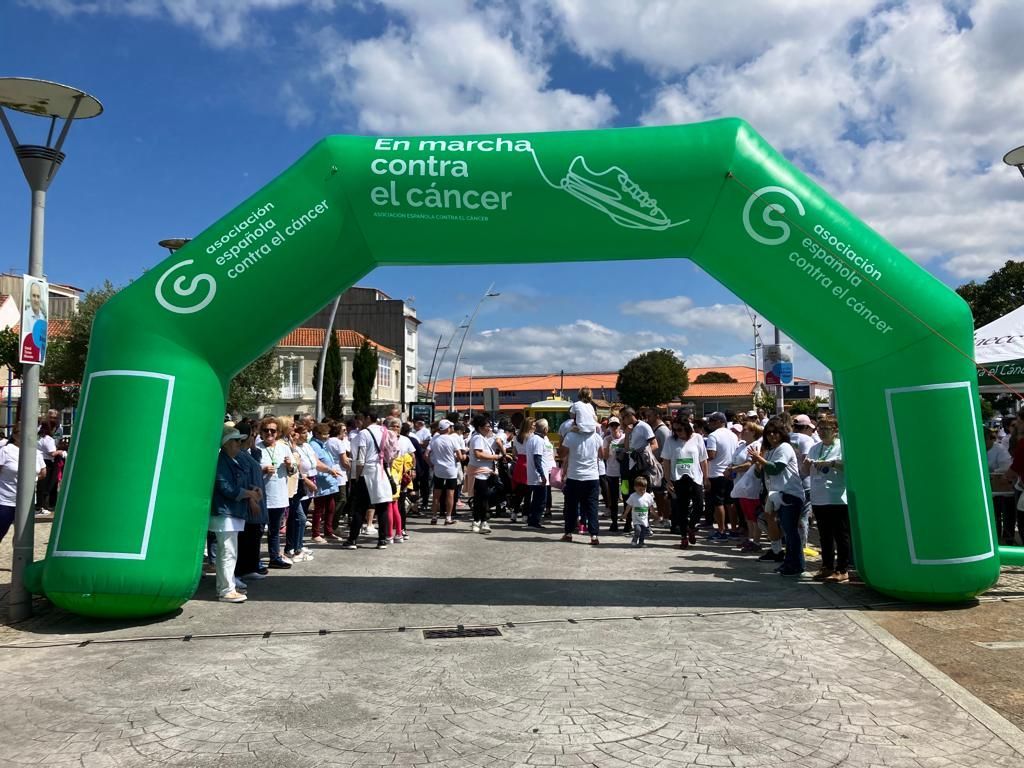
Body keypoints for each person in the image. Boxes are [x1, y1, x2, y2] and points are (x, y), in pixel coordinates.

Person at [748, 418, 805, 576]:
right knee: (787, 531)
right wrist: (758, 464)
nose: (772, 435)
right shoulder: (772, 450)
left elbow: (775, 469)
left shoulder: (784, 447)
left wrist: (760, 460)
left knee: (791, 532)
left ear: (782, 433)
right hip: (778, 495)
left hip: (790, 495)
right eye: (769, 432)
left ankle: (796, 565)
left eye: (776, 432)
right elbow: (761, 473)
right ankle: (789, 562)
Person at [210, 428, 259, 603]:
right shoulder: (223, 461)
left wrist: (251, 491)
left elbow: (233, 485)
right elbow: (225, 487)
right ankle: (225, 590)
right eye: (236, 441)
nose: (240, 444)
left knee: (229, 552)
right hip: (225, 512)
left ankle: (227, 587)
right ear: (227, 443)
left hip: (231, 513)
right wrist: (249, 494)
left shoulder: (230, 460)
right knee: (227, 553)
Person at [805, 415, 850, 582]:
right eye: (820, 428)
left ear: (835, 431)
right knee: (824, 535)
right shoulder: (815, 447)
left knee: (841, 534)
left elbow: (848, 467)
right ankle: (827, 566)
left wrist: (831, 464)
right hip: (819, 495)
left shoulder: (841, 446)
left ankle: (843, 569)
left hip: (837, 496)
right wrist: (807, 463)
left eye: (826, 429)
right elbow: (804, 470)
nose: (822, 432)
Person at [661, 419, 708, 549]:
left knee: (699, 505)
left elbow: (703, 460)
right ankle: (683, 536)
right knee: (681, 509)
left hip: (695, 477)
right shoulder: (671, 440)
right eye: (674, 430)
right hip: (678, 477)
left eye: (680, 429)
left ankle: (691, 527)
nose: (677, 432)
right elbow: (666, 461)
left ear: (687, 428)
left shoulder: (697, 438)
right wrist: (667, 480)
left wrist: (706, 477)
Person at [353, 412, 395, 548]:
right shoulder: (384, 430)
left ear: (368, 418)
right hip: (382, 469)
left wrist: (358, 477)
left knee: (360, 507)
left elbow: (361, 458)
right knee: (382, 506)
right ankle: (382, 539)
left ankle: (352, 539)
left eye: (362, 418)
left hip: (368, 471)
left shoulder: (364, 433)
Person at [235, 423, 269, 583]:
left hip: (256, 499)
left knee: (254, 535)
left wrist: (253, 446)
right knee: (248, 537)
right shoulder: (239, 455)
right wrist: (250, 499)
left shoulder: (246, 453)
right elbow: (241, 480)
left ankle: (250, 567)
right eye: (253, 435)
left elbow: (257, 458)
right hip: (250, 503)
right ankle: (243, 569)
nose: (255, 438)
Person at [558, 427, 604, 545]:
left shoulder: (570, 436)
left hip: (575, 476)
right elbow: (602, 455)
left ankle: (568, 533)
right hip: (592, 476)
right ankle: (594, 535)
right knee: (592, 506)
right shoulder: (597, 437)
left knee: (571, 506)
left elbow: (561, 453)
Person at [258, 417, 294, 569]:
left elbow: (293, 471)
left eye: (273, 430)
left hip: (279, 495)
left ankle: (274, 557)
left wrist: (289, 465)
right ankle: (254, 560)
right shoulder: (255, 448)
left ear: (278, 433)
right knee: (257, 531)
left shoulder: (284, 447)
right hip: (261, 495)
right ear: (261, 432)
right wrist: (263, 469)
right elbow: (249, 471)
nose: (269, 433)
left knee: (275, 530)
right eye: (266, 430)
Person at [0, 427, 44, 543]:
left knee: (22, 539)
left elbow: (43, 472)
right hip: (5, 501)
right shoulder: (6, 451)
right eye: (22, 432)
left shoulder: (36, 452)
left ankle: (20, 561)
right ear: (14, 435)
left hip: (27, 502)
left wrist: (30, 480)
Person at [730, 421, 764, 552]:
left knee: (753, 515)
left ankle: (756, 541)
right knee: (747, 515)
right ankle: (750, 538)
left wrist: (733, 469)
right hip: (740, 484)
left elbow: (750, 464)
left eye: (746, 430)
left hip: (751, 485)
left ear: (754, 432)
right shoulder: (742, 445)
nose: (742, 432)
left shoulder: (756, 445)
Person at [704, 412, 738, 540]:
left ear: (719, 422)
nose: (710, 423)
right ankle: (733, 529)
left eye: (712, 421)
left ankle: (721, 530)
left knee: (718, 503)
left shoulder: (713, 436)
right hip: (730, 472)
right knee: (730, 502)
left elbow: (711, 455)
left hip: (716, 473)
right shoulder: (733, 435)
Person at [468, 414, 501, 533]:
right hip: (479, 472)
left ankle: (479, 521)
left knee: (481, 498)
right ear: (480, 427)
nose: (490, 428)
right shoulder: (477, 438)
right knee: (482, 498)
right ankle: (481, 521)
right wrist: (495, 457)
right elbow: (478, 454)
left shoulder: (481, 438)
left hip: (484, 472)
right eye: (487, 426)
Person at [427, 419, 463, 525]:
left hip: (438, 469)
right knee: (450, 494)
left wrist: (431, 465)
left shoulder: (434, 439)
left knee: (436, 494)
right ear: (448, 428)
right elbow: (460, 456)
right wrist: (459, 458)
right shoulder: (453, 439)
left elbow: (426, 455)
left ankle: (434, 517)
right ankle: (448, 518)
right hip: (451, 469)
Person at [602, 417, 626, 532]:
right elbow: (605, 457)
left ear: (619, 425)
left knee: (626, 496)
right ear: (609, 427)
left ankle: (627, 522)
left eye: (616, 425)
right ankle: (614, 522)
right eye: (612, 425)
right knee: (614, 497)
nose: (614, 427)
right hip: (612, 473)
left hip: (624, 473)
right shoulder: (607, 439)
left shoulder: (625, 438)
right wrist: (608, 447)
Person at [625, 476, 654, 546]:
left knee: (643, 532)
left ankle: (641, 542)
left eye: (644, 489)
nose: (642, 491)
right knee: (638, 530)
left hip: (644, 519)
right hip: (636, 519)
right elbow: (629, 506)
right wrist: (625, 514)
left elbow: (651, 507)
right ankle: (634, 540)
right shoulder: (633, 496)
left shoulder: (648, 496)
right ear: (635, 488)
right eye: (640, 489)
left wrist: (655, 514)